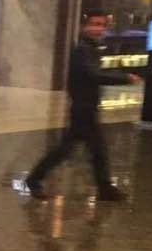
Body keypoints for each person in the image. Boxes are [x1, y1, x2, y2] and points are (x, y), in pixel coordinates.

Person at [26, 11, 141, 202]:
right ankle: (35, 179)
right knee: (73, 149)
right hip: (82, 107)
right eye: (94, 24)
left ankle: (104, 187)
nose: (98, 29)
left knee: (90, 149)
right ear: (83, 27)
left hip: (86, 106)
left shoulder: (92, 47)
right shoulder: (83, 49)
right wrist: (125, 78)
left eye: (102, 25)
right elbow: (93, 74)